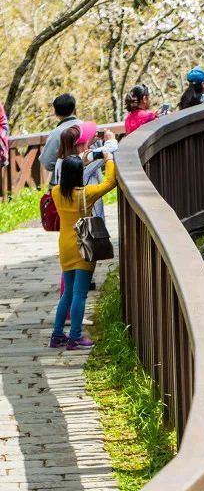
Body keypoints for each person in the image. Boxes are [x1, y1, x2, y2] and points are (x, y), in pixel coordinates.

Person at [49, 149, 116, 351]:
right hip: (84, 244)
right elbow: (110, 182)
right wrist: (109, 159)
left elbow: (71, 177)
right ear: (79, 173)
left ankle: (57, 335)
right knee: (80, 294)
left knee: (67, 294)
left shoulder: (56, 192)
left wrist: (81, 161)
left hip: (65, 246)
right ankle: (75, 337)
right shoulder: (87, 194)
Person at [39, 94, 82, 177]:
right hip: (93, 183)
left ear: (56, 113)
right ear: (75, 110)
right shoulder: (89, 127)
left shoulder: (56, 133)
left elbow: (47, 163)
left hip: (66, 184)